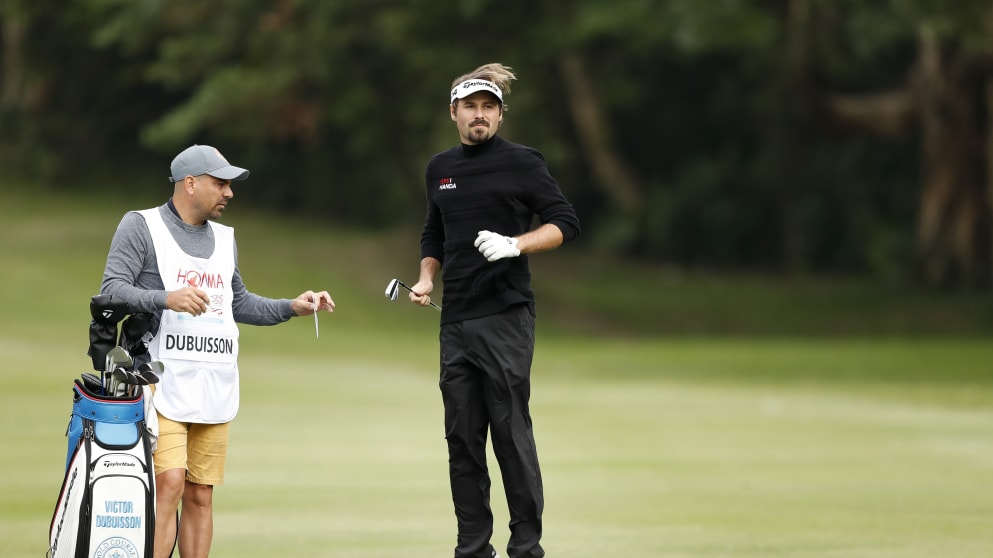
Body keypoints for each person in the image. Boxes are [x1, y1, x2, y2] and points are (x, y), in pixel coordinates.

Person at [99, 144, 336, 558]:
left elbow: (238, 302)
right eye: (220, 183)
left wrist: (292, 307)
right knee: (168, 482)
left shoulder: (225, 239)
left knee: (201, 493)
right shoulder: (141, 226)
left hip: (213, 383)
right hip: (158, 380)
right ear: (189, 184)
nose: (229, 193)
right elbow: (111, 291)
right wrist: (166, 298)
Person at [408, 63, 581, 558]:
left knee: (509, 432)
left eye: (488, 107)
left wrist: (515, 244)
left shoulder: (523, 162)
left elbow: (565, 222)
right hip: (455, 319)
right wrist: (425, 277)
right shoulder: (439, 168)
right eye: (470, 107)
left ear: (500, 115)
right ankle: (472, 549)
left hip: (506, 315)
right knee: (462, 440)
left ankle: (526, 547)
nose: (479, 115)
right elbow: (433, 234)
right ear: (454, 113)